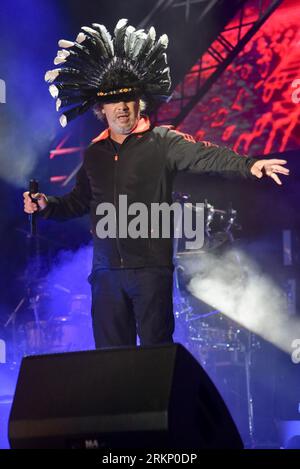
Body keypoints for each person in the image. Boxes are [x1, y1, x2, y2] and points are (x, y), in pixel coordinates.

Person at [23, 19, 289, 349]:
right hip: (106, 277)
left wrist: (249, 165)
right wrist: (47, 206)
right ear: (100, 108)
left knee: (155, 361)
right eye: (113, 100)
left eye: (129, 98)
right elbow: (79, 202)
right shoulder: (95, 154)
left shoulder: (162, 142)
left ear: (140, 102)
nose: (122, 107)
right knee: (111, 363)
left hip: (150, 273)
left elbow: (206, 156)